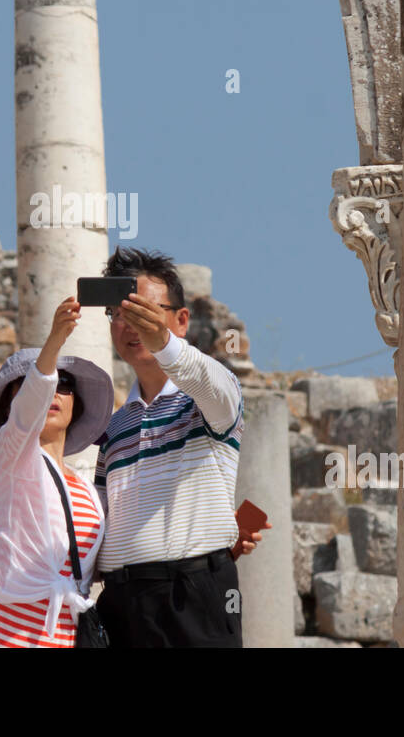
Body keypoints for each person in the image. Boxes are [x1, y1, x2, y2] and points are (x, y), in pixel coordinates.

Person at [93, 247, 265, 647]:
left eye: (143, 310)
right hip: (122, 605)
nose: (130, 323)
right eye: (119, 312)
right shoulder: (114, 428)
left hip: (192, 598)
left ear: (181, 320)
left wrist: (164, 343)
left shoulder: (211, 400)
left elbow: (209, 380)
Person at [0, 297, 114, 647]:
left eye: (65, 384)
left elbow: (93, 565)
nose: (53, 390)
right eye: (30, 386)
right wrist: (55, 341)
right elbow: (28, 413)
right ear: (11, 404)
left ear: (76, 402)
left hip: (62, 637)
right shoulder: (10, 456)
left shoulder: (86, 490)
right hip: (6, 634)